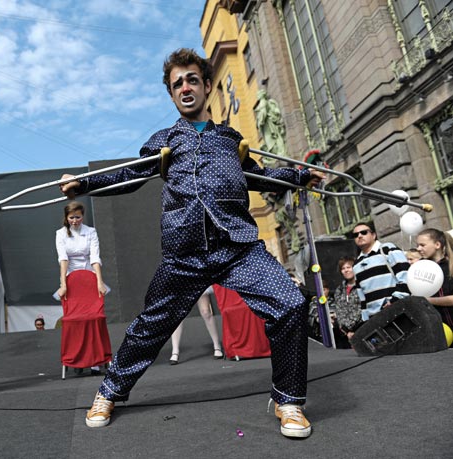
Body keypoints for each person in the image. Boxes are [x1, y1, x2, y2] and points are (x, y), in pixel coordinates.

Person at [60, 48, 324, 438]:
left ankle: (288, 401)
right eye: (176, 83)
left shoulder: (231, 140)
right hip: (184, 252)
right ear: (171, 95)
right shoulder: (165, 140)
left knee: (290, 304)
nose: (185, 87)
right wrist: (84, 185)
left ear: (206, 86)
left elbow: (262, 177)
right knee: (149, 327)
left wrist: (300, 176)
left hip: (237, 246)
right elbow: (131, 175)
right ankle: (110, 391)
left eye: (192, 80)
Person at [55, 201, 108, 376]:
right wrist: (63, 284)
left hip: (89, 276)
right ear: (66, 218)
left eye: (78, 217)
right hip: (71, 278)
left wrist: (99, 281)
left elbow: (95, 257)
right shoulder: (61, 234)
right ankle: (78, 358)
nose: (75, 220)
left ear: (82, 216)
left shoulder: (90, 232)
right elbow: (63, 259)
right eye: (72, 217)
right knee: (76, 320)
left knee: (93, 318)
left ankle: (95, 359)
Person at [351, 222, 409, 322]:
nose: (359, 236)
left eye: (364, 232)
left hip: (397, 311)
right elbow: (361, 295)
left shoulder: (387, 249)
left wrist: (395, 300)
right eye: (355, 235)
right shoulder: (356, 264)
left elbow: (405, 275)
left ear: (373, 235)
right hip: (374, 319)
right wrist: (365, 319)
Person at [168, 287, 223, 365]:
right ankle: (175, 351)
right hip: (181, 279)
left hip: (197, 278)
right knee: (178, 314)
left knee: (206, 312)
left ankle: (217, 345)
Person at [415, 228, 453, 330]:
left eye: (422, 245)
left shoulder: (450, 266)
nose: (418, 249)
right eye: (417, 245)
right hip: (439, 331)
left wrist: (428, 300)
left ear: (437, 245)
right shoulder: (419, 269)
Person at [333, 257, 362, 342]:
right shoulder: (339, 290)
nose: (346, 270)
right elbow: (339, 310)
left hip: (361, 329)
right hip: (344, 333)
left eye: (349, 267)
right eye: (343, 268)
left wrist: (352, 328)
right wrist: (346, 330)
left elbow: (362, 309)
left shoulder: (362, 286)